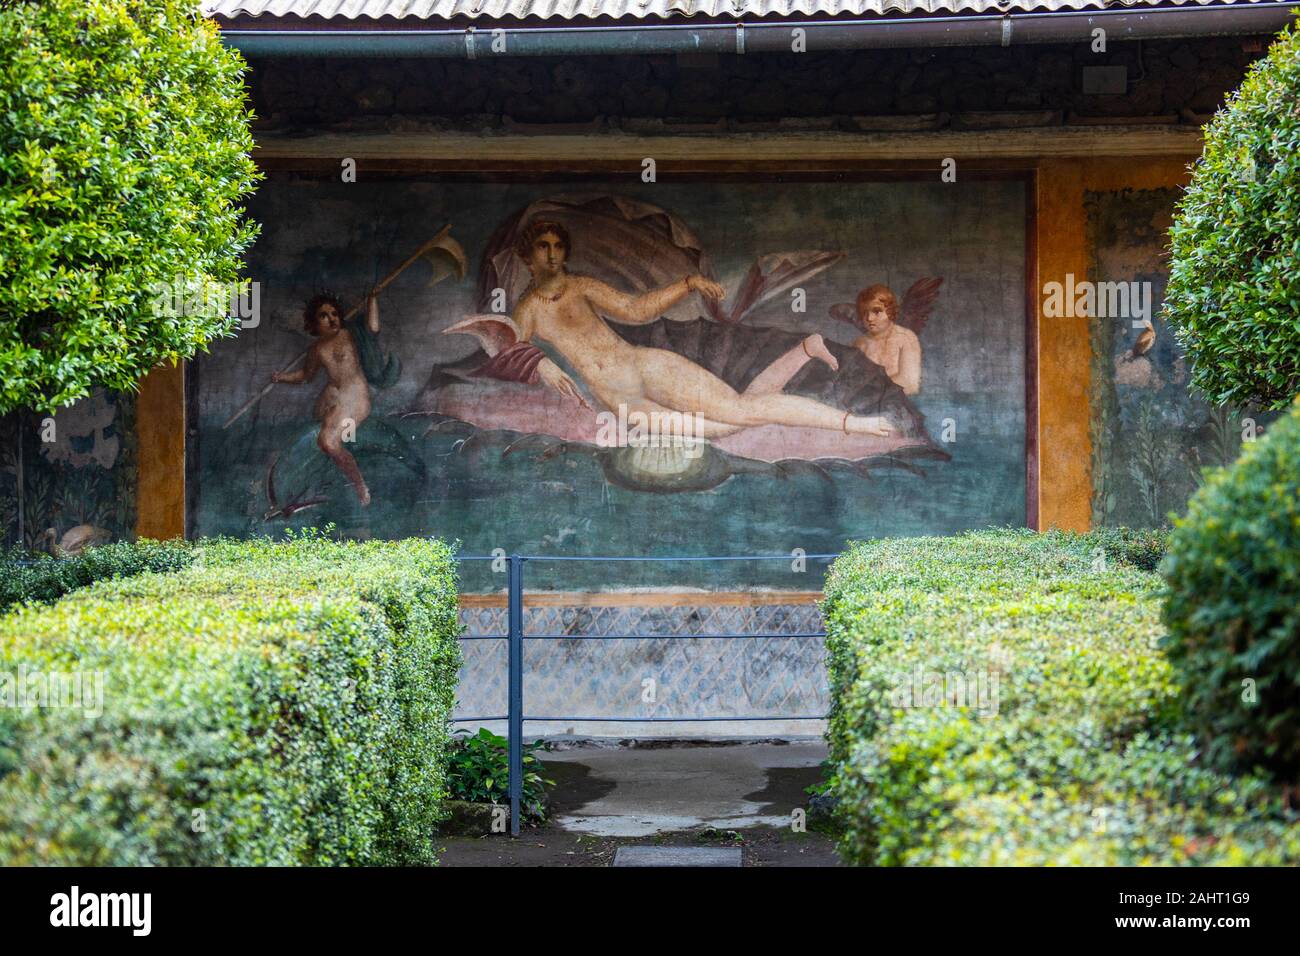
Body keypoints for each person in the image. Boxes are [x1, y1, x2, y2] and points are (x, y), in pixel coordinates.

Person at [508, 219, 895, 439]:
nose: (554, 252)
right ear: (527, 255)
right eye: (543, 246)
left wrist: (687, 284)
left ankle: (850, 423)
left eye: (558, 244)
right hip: (623, 401)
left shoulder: (582, 286)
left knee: (741, 411)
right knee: (727, 427)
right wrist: (541, 363)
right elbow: (507, 348)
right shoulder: (528, 310)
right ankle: (804, 351)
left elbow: (635, 309)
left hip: (644, 366)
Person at [272, 292, 378, 505]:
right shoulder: (317, 349)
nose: (332, 319)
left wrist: (372, 300)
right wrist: (281, 377)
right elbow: (305, 376)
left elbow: (373, 328)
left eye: (334, 313)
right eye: (323, 315)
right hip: (337, 398)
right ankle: (321, 479)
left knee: (328, 442)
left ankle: (360, 485)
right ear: (313, 323)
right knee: (321, 430)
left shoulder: (349, 335)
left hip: (356, 398)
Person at [851, 284, 922, 395]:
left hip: (898, 401)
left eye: (877, 311)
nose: (869, 318)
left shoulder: (905, 337)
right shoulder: (858, 344)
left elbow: (909, 383)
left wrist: (871, 392)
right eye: (864, 312)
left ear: (890, 311)